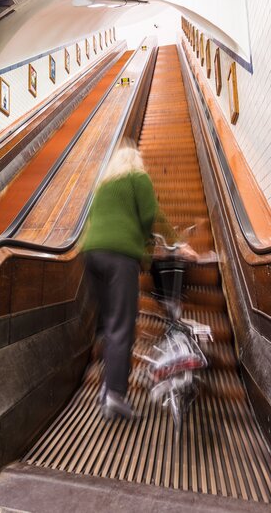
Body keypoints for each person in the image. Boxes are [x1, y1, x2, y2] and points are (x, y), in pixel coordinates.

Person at [82, 143, 161, 420]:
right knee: (121, 326)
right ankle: (115, 394)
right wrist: (156, 245)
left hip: (91, 256)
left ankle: (106, 389)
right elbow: (151, 215)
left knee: (106, 326)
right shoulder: (138, 178)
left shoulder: (104, 186)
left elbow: (91, 218)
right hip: (119, 258)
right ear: (135, 162)